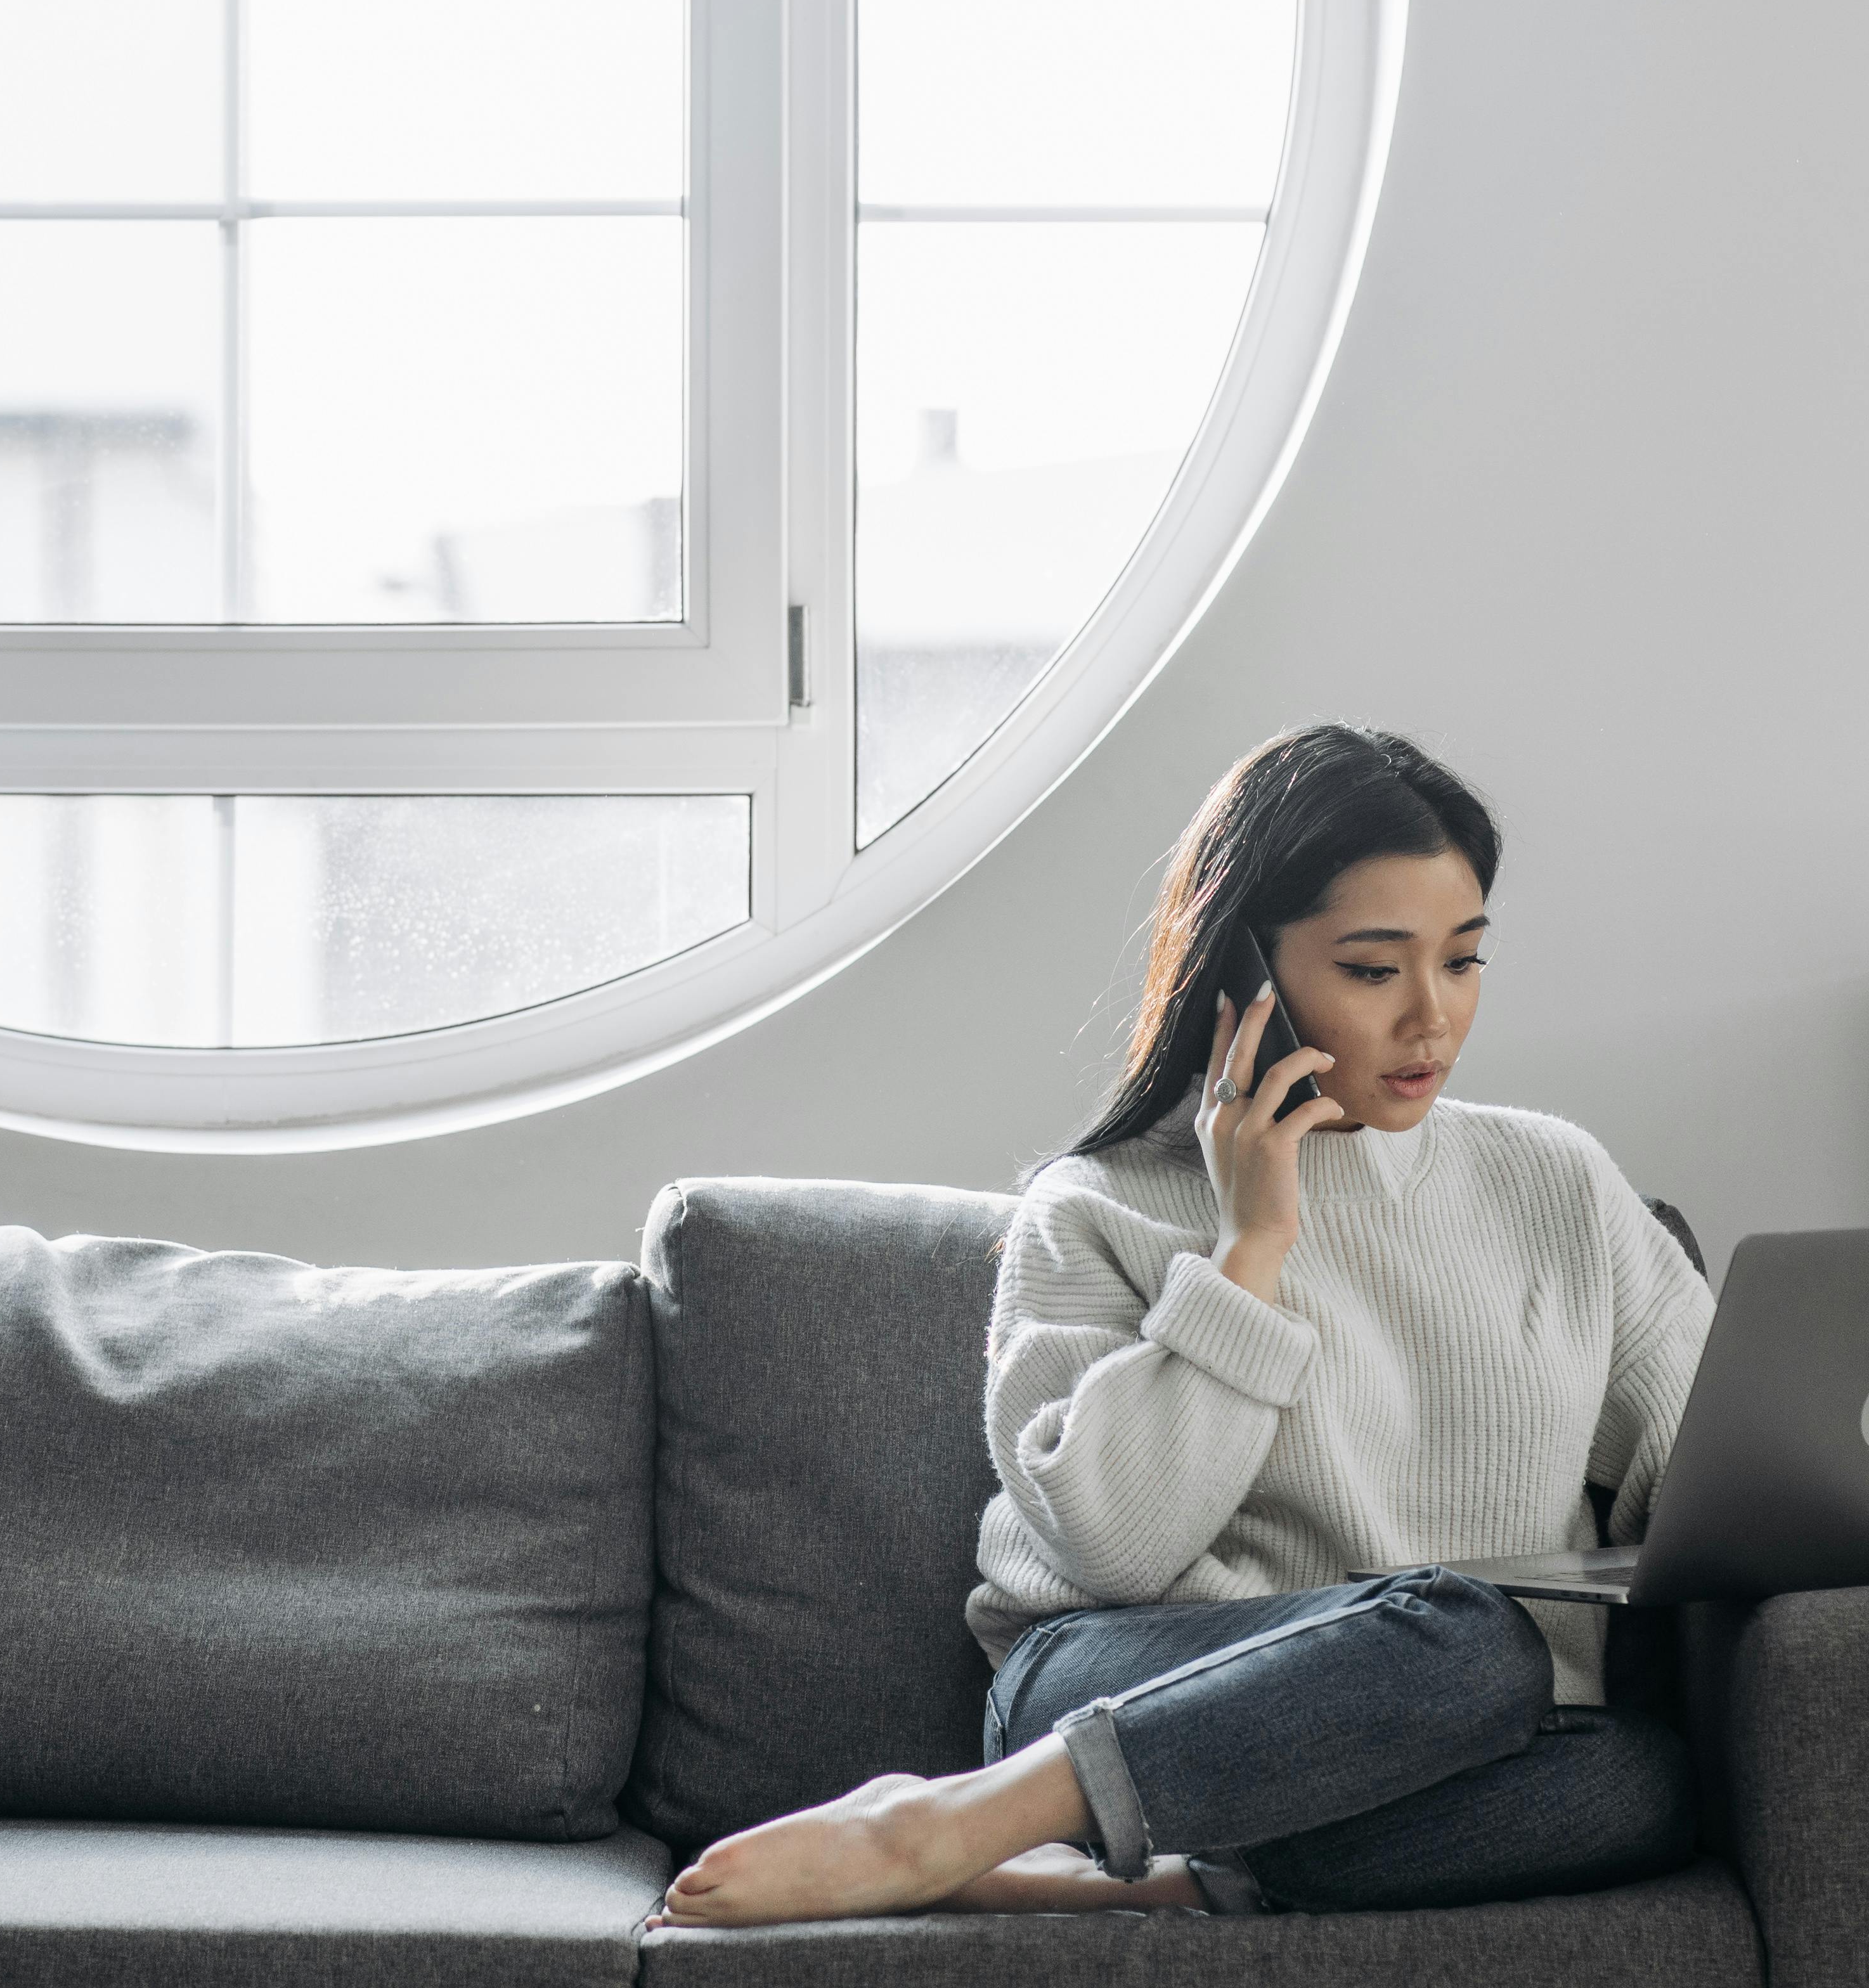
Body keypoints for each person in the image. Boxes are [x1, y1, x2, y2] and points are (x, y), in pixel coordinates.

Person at [656, 725, 1716, 1927]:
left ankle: (1159, 1877)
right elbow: (1113, 1545)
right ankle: (955, 1821)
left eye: (1463, 960)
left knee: (1638, 1784)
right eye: (1375, 970)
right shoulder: (1094, 1206)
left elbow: (1711, 1468)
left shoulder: (1557, 1181)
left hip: (1417, 1734)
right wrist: (1247, 1250)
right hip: (1122, 1678)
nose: (1433, 1018)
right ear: (1242, 977)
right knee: (1472, 1635)